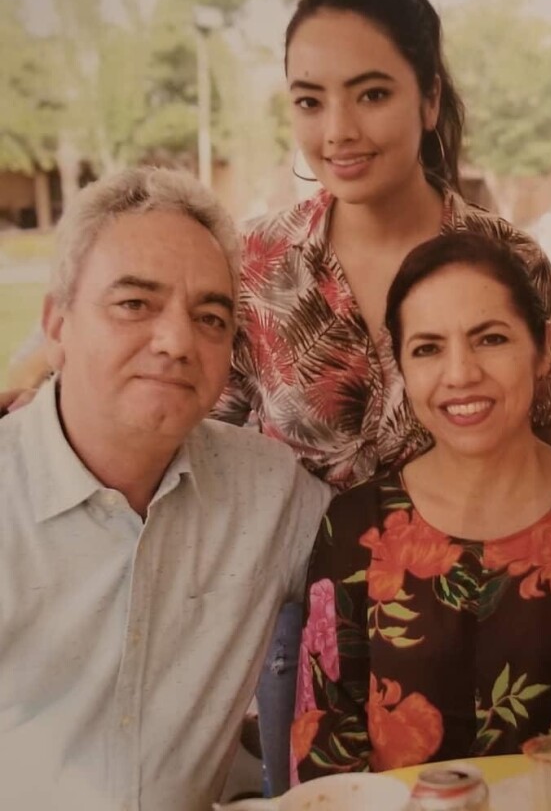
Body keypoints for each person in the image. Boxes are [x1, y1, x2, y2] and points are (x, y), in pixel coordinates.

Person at [208, 0, 551, 795]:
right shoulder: (255, 264)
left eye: (370, 94)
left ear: (429, 100)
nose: (337, 131)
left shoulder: (508, 262)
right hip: (299, 619)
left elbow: (543, 435)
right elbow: (208, 430)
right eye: (309, 100)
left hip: (480, 615)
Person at [292, 232, 551, 781]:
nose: (460, 373)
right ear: (402, 365)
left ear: (544, 347)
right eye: (428, 348)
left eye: (490, 339)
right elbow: (326, 744)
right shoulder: (358, 526)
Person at [0, 167, 331, 811]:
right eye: (134, 304)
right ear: (57, 326)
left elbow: (404, 543)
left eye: (210, 317)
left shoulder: (268, 491)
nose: (178, 342)